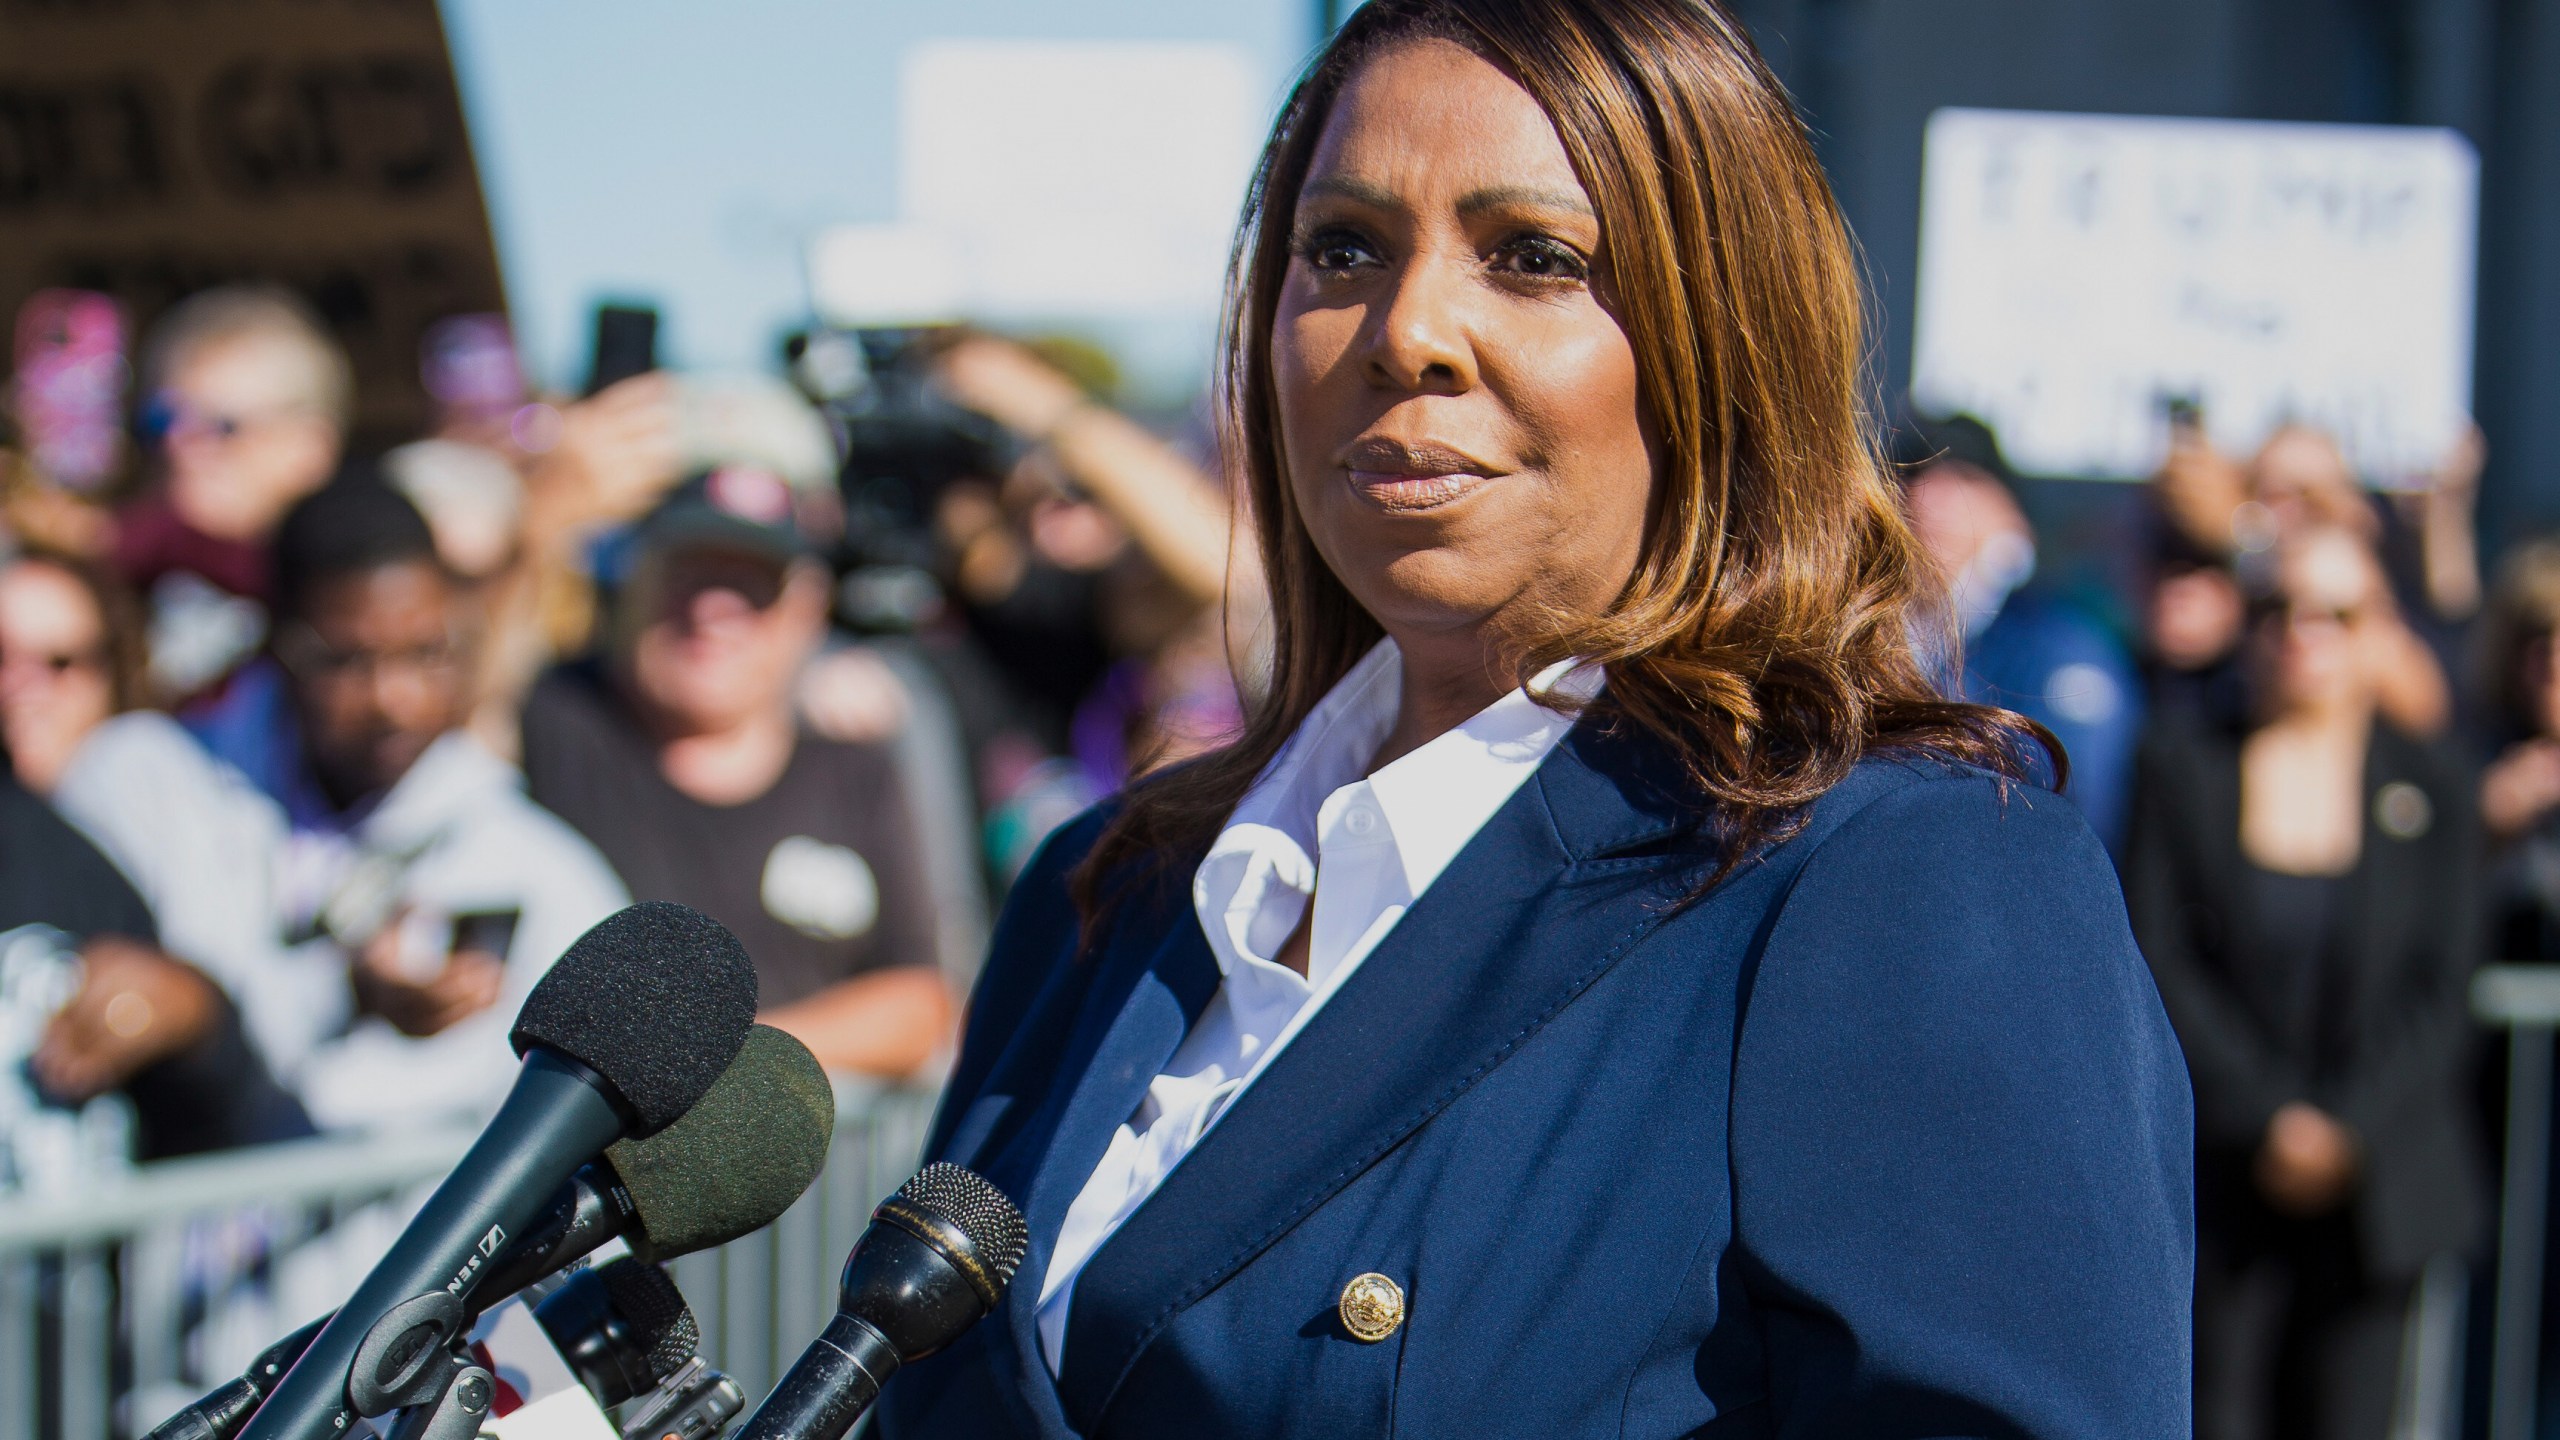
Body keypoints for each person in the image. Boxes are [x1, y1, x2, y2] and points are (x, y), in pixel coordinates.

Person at [875, 3, 2191, 1437]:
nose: (1409, 331)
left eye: (1537, 258)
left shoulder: (1903, 883)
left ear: (1726, 348)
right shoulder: (1106, 892)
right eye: (1343, 250)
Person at [52, 478, 627, 1131]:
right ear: (274, 643)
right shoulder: (144, 781)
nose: (393, 699)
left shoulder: (524, 855)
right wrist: (337, 991)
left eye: (426, 653)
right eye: (347, 660)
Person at [2122, 527, 2486, 1440]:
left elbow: (2442, 991)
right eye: (2276, 609)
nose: (2300, 634)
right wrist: (2271, 1116)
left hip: (2378, 1194)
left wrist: (2345, 1125)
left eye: (2335, 613)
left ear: (2380, 632)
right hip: (2223, 1188)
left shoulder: (2435, 786)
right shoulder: (2182, 767)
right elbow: (2159, 960)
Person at [521, 467, 954, 1076]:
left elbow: (920, 1005)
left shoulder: (853, 766)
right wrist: (543, 517)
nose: (712, 609)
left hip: (810, 1169)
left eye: (749, 585)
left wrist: (714, 1060)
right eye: (688, 577)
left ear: (804, 610)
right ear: (635, 584)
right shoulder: (557, 723)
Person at [1895, 413, 2144, 850]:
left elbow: (2079, 817)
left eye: (1961, 478)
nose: (1927, 499)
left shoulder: (2056, 641)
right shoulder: (1874, 634)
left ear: (2008, 508)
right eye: (1912, 476)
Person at [108, 287, 350, 705]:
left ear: (311, 446)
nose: (179, 447)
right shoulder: (106, 584)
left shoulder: (353, 601)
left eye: (223, 426)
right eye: (160, 421)